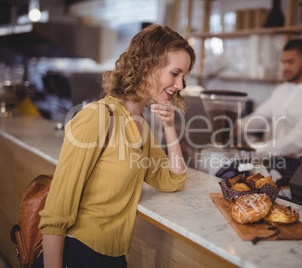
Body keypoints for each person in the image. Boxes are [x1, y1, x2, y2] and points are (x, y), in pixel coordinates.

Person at [36, 24, 196, 268]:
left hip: (115, 258)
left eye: (184, 76)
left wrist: (170, 128)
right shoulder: (98, 117)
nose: (181, 85)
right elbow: (56, 211)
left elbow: (172, 180)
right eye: (175, 73)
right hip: (77, 253)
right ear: (146, 64)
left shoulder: (140, 124)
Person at [237, 38, 302, 176]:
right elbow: (260, 117)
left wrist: (255, 150)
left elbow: (296, 140)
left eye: (290, 62)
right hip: (277, 161)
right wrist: (238, 126)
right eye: (283, 62)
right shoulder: (281, 90)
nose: (285, 67)